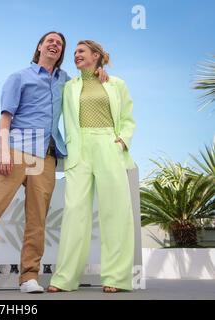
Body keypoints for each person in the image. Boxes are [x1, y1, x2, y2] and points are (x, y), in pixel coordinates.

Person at [0, 32, 108, 293]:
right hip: (17, 151)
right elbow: (5, 118)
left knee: (37, 219)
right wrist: (4, 151)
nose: (55, 44)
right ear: (39, 46)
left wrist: (99, 74)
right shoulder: (19, 77)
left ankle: (29, 277)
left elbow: (85, 86)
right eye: (50, 40)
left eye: (60, 44)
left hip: (48, 156)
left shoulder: (66, 80)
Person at [48, 40, 136, 293]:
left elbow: (129, 118)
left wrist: (121, 142)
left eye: (81, 52)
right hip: (78, 149)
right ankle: (65, 278)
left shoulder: (116, 83)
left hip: (108, 144)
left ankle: (116, 278)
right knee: (75, 212)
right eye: (74, 52)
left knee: (116, 212)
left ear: (96, 55)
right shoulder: (68, 85)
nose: (75, 55)